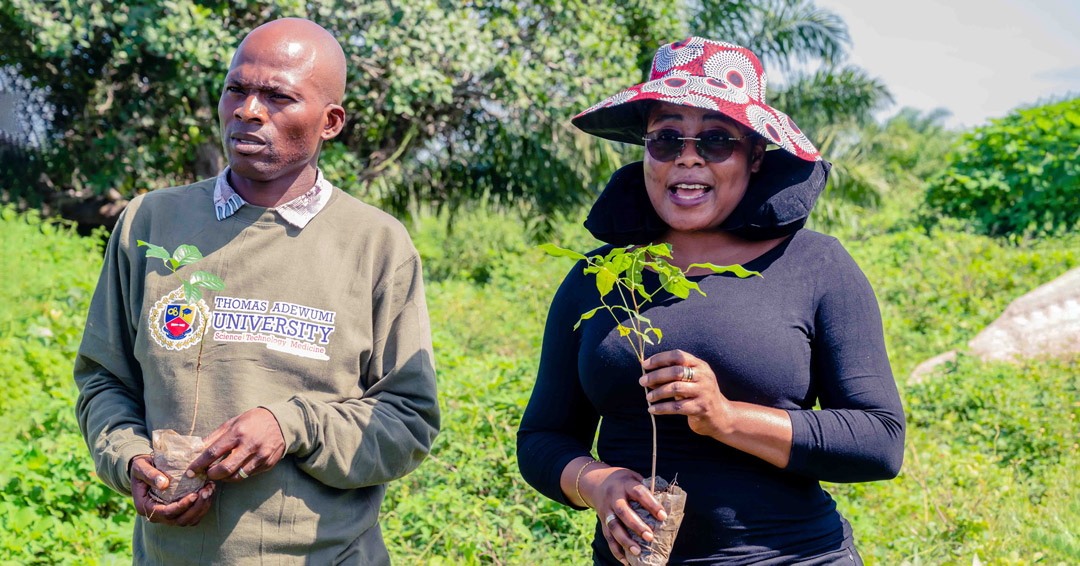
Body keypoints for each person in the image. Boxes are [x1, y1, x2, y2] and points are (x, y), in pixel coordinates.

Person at [517, 37, 904, 565]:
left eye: (717, 141)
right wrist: (598, 484)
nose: (689, 157)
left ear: (755, 155)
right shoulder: (598, 275)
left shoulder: (818, 265)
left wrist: (726, 417)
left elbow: (879, 441)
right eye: (667, 139)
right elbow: (543, 437)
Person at [74, 18, 439, 564]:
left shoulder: (375, 244)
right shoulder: (151, 222)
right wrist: (128, 458)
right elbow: (104, 379)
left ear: (330, 122)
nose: (248, 110)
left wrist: (292, 425)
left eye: (278, 96)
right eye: (236, 90)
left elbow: (408, 419)